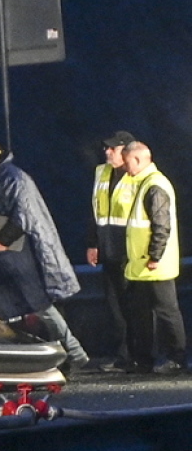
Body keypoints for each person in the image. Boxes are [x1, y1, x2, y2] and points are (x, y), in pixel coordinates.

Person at [0, 139, 91, 370]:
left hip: (17, 255)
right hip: (3, 255)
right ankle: (15, 358)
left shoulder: (13, 178)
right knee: (10, 308)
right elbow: (3, 215)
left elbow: (23, 213)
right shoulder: (0, 179)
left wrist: (4, 240)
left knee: (38, 304)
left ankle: (74, 352)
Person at [121, 141, 186, 374]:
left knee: (166, 312)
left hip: (154, 264)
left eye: (127, 162)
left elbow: (161, 225)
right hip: (142, 263)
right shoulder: (144, 183)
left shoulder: (155, 186)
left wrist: (155, 255)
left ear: (137, 159)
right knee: (143, 312)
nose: (125, 168)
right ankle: (146, 357)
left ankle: (176, 358)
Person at [84, 131, 139, 371]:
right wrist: (93, 243)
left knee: (133, 305)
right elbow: (95, 211)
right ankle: (123, 355)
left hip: (130, 251)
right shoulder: (101, 172)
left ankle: (137, 355)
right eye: (107, 148)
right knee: (114, 305)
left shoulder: (137, 176)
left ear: (126, 151)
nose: (107, 152)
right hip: (108, 249)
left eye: (112, 149)